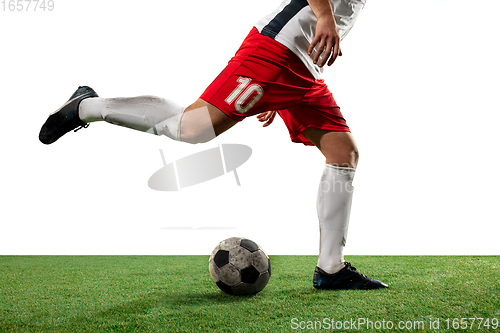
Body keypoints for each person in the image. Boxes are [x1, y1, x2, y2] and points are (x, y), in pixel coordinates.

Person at [39, 0, 387, 290]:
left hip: (306, 70)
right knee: (193, 127)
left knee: (343, 152)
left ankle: (331, 268)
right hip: (279, 51)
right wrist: (324, 16)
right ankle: (87, 106)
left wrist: (275, 99)